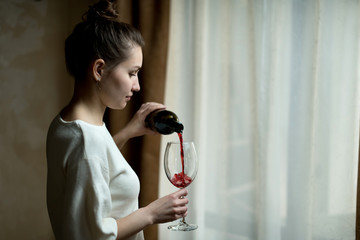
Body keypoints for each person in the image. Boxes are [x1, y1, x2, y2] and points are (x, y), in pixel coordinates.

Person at [46, 0, 188, 239]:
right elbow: (95, 235)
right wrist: (152, 213)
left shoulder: (66, 123)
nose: (137, 85)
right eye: (132, 73)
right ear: (99, 70)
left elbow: (97, 166)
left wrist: (128, 132)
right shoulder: (86, 142)